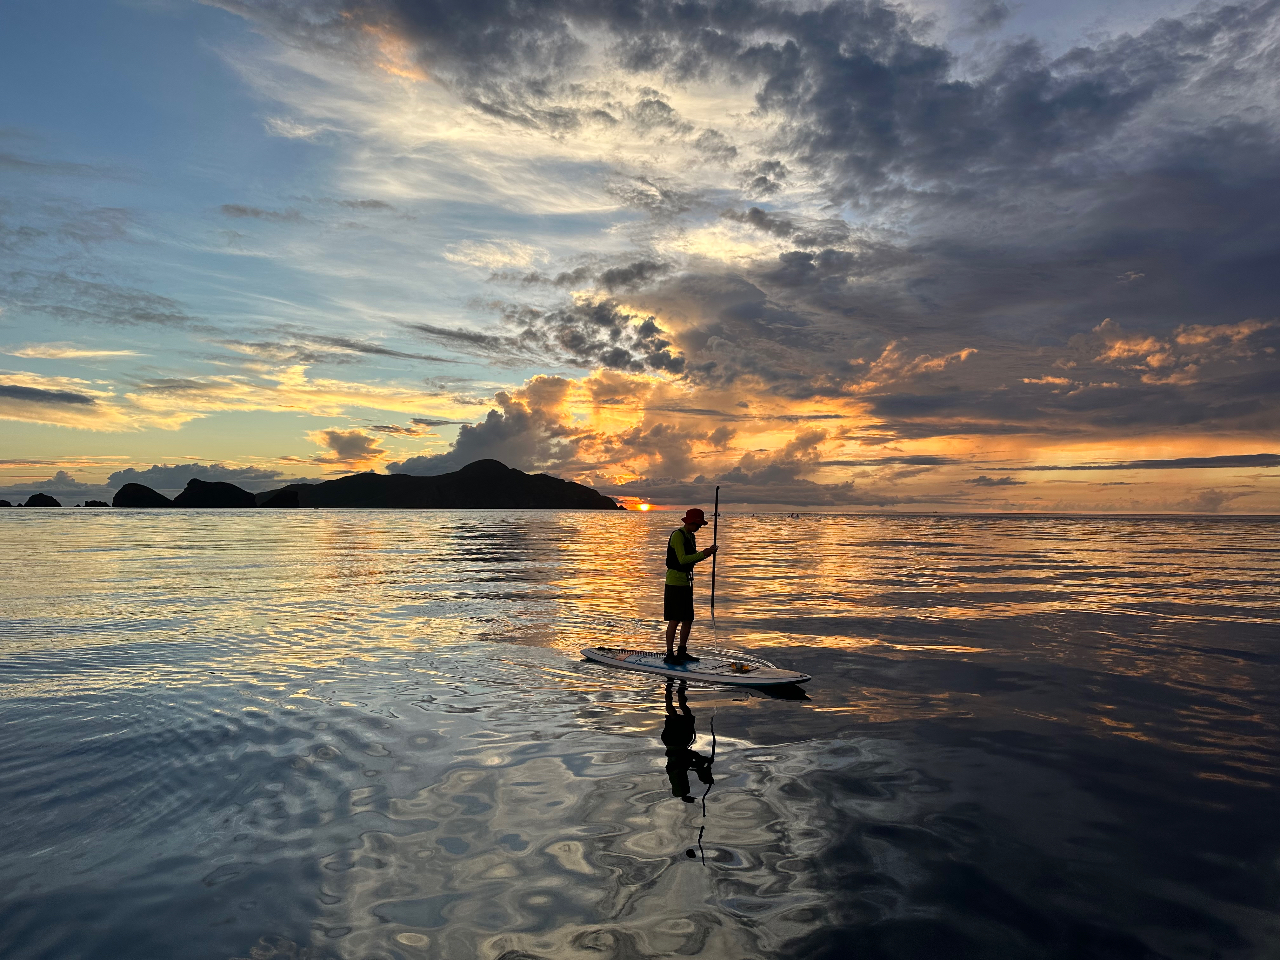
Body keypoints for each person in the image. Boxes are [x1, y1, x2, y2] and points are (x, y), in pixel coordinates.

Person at [664, 507, 718, 664]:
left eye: (700, 526)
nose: (699, 528)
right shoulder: (677, 536)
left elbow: (692, 559)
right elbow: (682, 559)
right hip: (674, 582)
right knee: (674, 619)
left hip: (686, 582)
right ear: (690, 522)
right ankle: (669, 653)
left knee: (688, 619)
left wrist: (706, 554)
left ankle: (682, 651)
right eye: (698, 525)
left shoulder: (691, 537)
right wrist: (704, 553)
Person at [662, 680, 714, 803]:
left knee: (676, 714)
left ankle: (672, 689)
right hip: (677, 740)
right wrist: (705, 763)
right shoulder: (678, 767)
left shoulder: (678, 767)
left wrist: (704, 762)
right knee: (681, 713)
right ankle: (675, 689)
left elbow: (690, 757)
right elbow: (691, 758)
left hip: (677, 740)